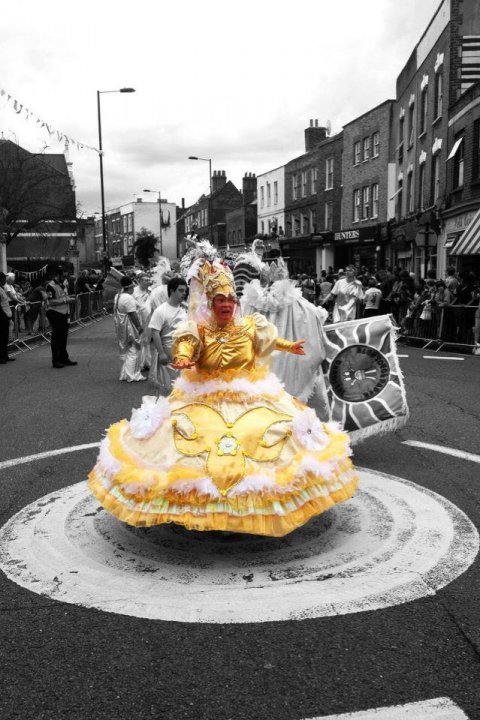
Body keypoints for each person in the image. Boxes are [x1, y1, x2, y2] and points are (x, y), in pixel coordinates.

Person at [89, 254, 357, 537]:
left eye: (230, 299)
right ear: (211, 303)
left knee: (269, 434)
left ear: (236, 303)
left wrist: (289, 346)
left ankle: (246, 509)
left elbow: (267, 341)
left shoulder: (251, 325)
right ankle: (209, 511)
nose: (226, 304)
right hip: (203, 394)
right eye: (220, 300)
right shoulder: (198, 328)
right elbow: (187, 345)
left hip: (250, 392)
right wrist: (182, 358)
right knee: (185, 438)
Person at [148, 277, 188, 394]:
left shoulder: (184, 309)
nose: (184, 293)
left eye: (185, 291)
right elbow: (155, 332)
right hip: (168, 355)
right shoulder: (160, 311)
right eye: (180, 290)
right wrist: (161, 354)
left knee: (183, 389)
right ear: (171, 291)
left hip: (184, 355)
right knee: (169, 389)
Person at [113, 276, 146, 382]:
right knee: (134, 350)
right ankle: (132, 375)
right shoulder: (128, 298)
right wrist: (139, 327)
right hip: (130, 327)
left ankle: (126, 374)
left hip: (122, 326)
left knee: (128, 350)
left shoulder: (118, 296)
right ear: (130, 287)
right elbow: (132, 314)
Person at [46, 267, 77, 369]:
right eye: (63, 276)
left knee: (64, 337)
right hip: (55, 313)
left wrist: (71, 299)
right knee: (56, 338)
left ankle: (64, 358)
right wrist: (65, 301)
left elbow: (64, 296)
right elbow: (50, 302)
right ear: (58, 275)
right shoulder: (51, 286)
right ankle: (55, 360)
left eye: (66, 276)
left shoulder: (63, 284)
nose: (65, 278)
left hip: (64, 313)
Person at [132, 272, 152, 371]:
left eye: (148, 280)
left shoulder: (150, 291)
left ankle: (147, 362)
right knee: (138, 341)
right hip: (137, 319)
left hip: (147, 319)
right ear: (139, 281)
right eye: (145, 280)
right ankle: (138, 364)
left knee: (146, 341)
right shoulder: (134, 291)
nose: (148, 282)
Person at [0, 272, 15, 363]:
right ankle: (1, 357)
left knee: (5, 337)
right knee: (1, 337)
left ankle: (5, 356)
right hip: (2, 316)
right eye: (4, 279)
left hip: (6, 315)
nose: (5, 280)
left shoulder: (1, 288)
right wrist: (3, 315)